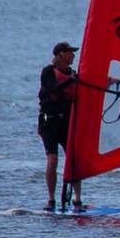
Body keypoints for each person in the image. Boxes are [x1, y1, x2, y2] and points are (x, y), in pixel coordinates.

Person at [38, 40, 82, 211]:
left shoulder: (74, 74)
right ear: (60, 55)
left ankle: (77, 199)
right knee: (53, 159)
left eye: (73, 52)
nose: (73, 55)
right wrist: (71, 81)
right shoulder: (48, 72)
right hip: (49, 121)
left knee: (73, 159)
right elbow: (52, 89)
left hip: (66, 122)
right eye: (70, 52)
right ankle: (51, 199)